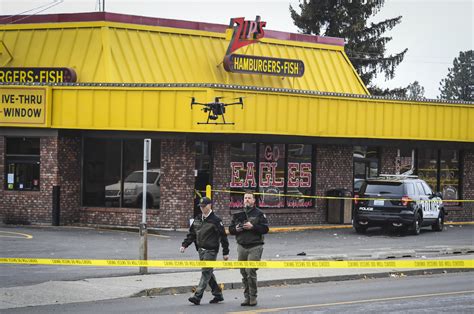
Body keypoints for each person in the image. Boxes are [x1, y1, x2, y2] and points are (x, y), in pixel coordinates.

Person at [180, 196, 229, 305]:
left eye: (204, 206)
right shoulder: (197, 218)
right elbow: (192, 234)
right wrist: (184, 245)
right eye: (200, 206)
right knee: (208, 273)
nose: (202, 208)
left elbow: (223, 237)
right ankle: (218, 294)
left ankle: (197, 296)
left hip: (211, 250)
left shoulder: (216, 220)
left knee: (206, 271)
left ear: (209, 205)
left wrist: (225, 252)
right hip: (201, 250)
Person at [229, 192, 269, 306]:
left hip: (255, 246)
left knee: (250, 272)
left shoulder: (259, 214)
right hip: (241, 246)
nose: (247, 200)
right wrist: (236, 229)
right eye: (245, 198)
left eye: (249, 198)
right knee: (243, 272)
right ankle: (246, 297)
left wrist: (253, 227)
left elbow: (265, 229)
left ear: (253, 200)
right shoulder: (238, 214)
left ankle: (253, 297)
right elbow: (230, 230)